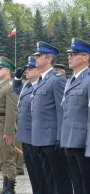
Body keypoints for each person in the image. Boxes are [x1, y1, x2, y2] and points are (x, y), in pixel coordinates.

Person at [32, 41, 73, 194]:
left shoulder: (57, 80)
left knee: (60, 179)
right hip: (40, 138)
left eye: (39, 55)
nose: (35, 57)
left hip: (52, 139)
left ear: (49, 59)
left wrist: (60, 137)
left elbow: (62, 111)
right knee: (48, 178)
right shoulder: (41, 80)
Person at [13, 56, 47, 194]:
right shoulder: (27, 86)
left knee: (41, 172)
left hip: (36, 136)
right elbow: (16, 89)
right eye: (26, 68)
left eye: (30, 68)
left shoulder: (41, 85)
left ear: (39, 71)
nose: (26, 70)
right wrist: (16, 78)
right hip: (26, 136)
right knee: (32, 172)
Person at [61, 37, 90, 194]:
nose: (69, 56)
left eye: (74, 53)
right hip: (70, 141)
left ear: (85, 57)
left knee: (86, 186)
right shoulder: (70, 80)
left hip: (83, 144)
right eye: (69, 53)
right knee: (77, 185)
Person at [0, 56, 18, 194]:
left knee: (8, 157)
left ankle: (10, 187)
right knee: (1, 158)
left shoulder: (10, 87)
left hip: (4, 127)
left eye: (0, 69)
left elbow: (12, 112)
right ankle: (5, 184)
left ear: (8, 70)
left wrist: (9, 131)